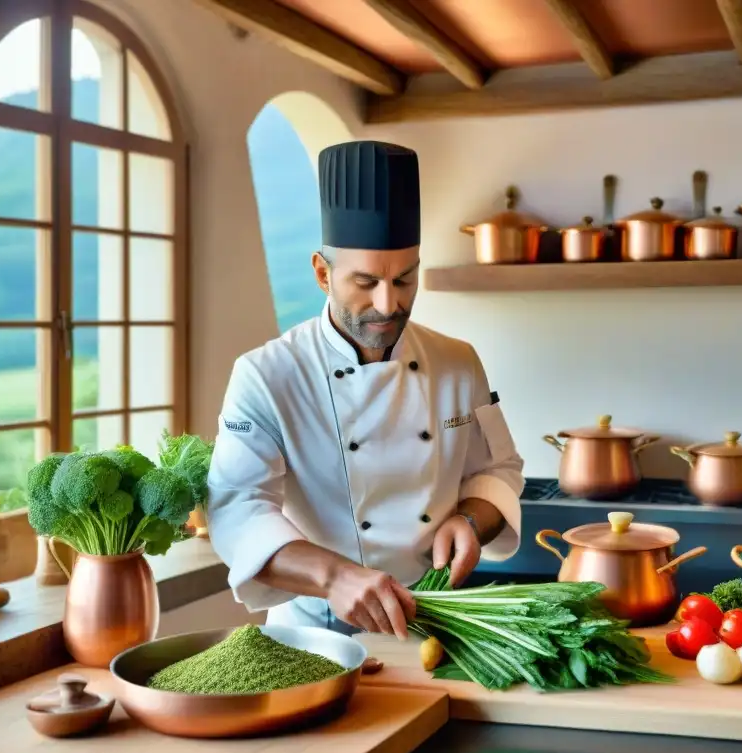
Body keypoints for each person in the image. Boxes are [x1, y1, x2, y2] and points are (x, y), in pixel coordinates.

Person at [206, 139, 524, 640]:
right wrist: (334, 577)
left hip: (442, 624)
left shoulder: (458, 362)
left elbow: (497, 469)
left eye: (405, 280)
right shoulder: (267, 375)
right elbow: (238, 511)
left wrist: (470, 520)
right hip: (317, 634)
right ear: (321, 273)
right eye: (365, 282)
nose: (388, 303)